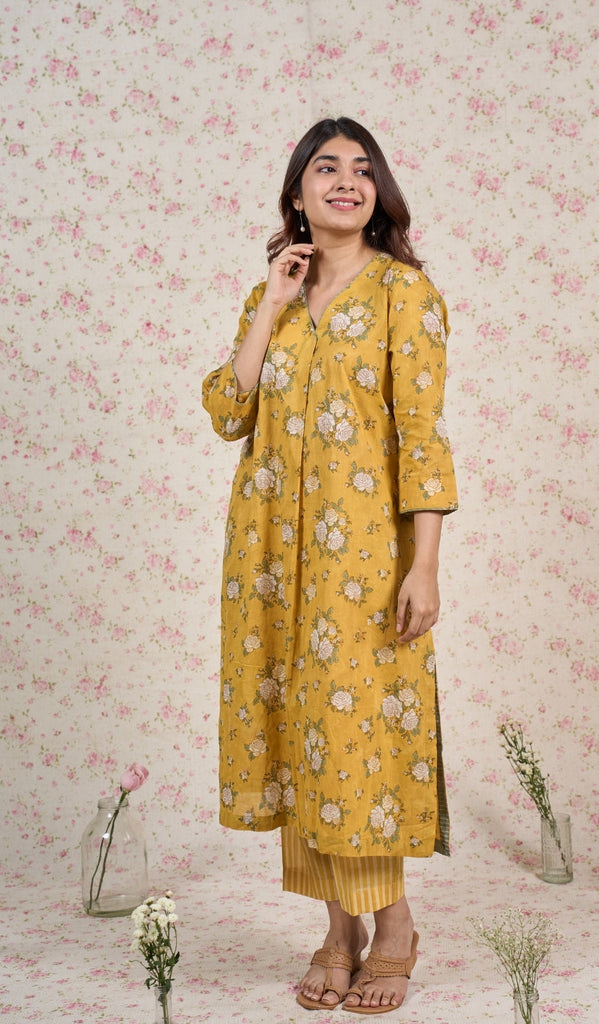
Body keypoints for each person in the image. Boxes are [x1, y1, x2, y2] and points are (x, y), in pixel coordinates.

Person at [202, 116, 458, 1014]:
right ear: (298, 192)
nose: (345, 180)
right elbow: (227, 412)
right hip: (270, 559)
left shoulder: (404, 294)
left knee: (358, 737)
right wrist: (271, 304)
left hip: (363, 561)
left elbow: (422, 440)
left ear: (377, 191)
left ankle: (393, 927)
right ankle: (338, 933)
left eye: (361, 169)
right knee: (300, 731)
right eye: (325, 167)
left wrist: (424, 565)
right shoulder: (270, 292)